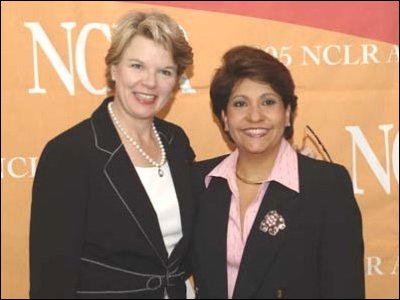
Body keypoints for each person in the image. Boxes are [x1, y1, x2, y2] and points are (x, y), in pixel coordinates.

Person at [30, 11, 195, 299]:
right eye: (137, 66)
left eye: (165, 71)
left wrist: (280, 161)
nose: (150, 82)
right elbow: (51, 279)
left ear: (176, 81)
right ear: (114, 69)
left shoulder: (176, 141)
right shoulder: (69, 154)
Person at [191, 46, 365, 299]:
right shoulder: (201, 182)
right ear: (225, 118)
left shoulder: (326, 186)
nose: (254, 116)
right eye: (240, 104)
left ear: (287, 113)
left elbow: (345, 290)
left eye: (268, 102)